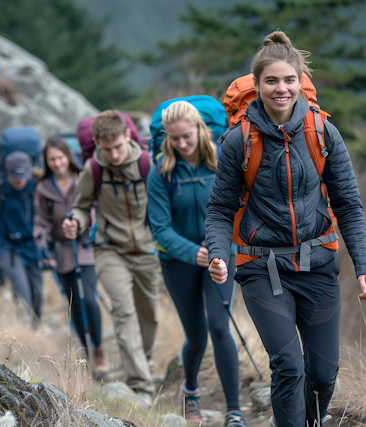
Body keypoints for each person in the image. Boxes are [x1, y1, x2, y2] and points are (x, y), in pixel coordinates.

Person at [205, 31, 366, 427]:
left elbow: (348, 206)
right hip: (261, 268)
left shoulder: (323, 133)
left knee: (322, 375)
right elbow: (218, 208)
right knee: (287, 366)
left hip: (318, 266)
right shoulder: (239, 141)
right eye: (271, 81)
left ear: (301, 82)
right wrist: (218, 253)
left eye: (289, 80)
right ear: (258, 85)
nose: (281, 89)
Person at [147, 101, 247, 426]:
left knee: (220, 326)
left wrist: (222, 249)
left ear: (200, 130)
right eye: (174, 139)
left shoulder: (222, 163)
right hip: (178, 262)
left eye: (186, 136)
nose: (182, 144)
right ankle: (190, 390)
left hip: (221, 256)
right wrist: (193, 253)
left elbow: (239, 212)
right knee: (197, 336)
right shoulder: (160, 172)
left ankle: (234, 412)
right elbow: (160, 228)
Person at [62, 111, 161, 402]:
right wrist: (75, 221)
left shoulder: (148, 163)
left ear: (127, 137)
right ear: (97, 144)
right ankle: (140, 384)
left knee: (149, 315)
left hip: (147, 250)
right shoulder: (93, 169)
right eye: (106, 149)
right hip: (109, 250)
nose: (114, 154)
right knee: (123, 312)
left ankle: (144, 360)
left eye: (117, 147)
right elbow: (81, 206)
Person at [34, 137, 108, 373]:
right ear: (46, 162)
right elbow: (40, 221)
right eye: (51, 159)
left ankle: (99, 350)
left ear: (69, 157)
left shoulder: (82, 179)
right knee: (74, 303)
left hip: (85, 247)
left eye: (60, 157)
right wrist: (41, 241)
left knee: (90, 298)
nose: (57, 163)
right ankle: (86, 354)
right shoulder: (43, 188)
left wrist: (86, 226)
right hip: (60, 252)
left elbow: (95, 208)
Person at [0, 151, 43, 324]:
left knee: (38, 293)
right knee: (21, 288)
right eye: (15, 176)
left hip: (31, 243)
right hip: (6, 244)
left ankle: (36, 326)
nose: (20, 181)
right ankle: (24, 332)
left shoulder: (37, 184)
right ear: (7, 172)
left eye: (23, 176)